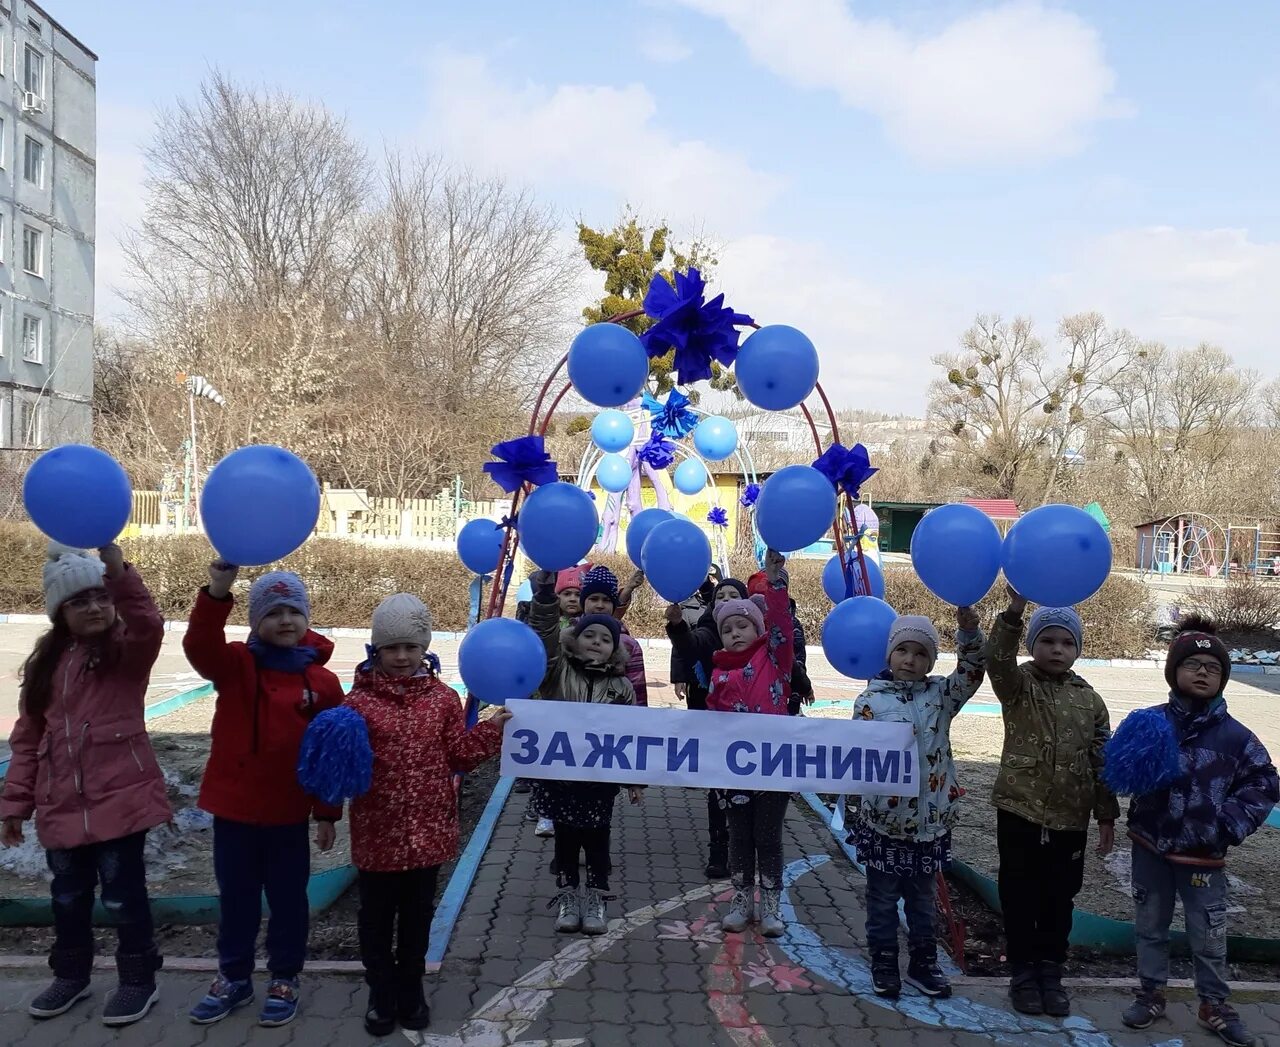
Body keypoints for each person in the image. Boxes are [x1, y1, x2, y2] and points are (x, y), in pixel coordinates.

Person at [0, 543, 169, 1027]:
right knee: (68, 900)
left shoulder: (125, 656)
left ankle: (139, 981)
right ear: (60, 612)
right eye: (80, 601)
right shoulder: (45, 667)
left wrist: (120, 573)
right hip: (61, 807)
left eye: (101, 597)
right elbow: (28, 739)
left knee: (122, 898)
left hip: (121, 804)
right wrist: (15, 804)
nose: (94, 607)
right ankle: (70, 976)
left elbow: (148, 624)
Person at [342, 594, 512, 1037]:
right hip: (376, 833)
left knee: (417, 918)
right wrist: (324, 814)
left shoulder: (442, 699)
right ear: (375, 650)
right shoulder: (355, 705)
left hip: (427, 832)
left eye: (410, 647)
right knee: (376, 920)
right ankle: (381, 992)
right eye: (391, 648)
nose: (401, 657)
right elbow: (338, 767)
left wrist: (491, 730)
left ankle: (411, 989)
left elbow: (459, 754)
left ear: (425, 649)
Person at [184, 564, 345, 1028]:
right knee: (236, 899)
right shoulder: (234, 665)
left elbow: (330, 757)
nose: (286, 620)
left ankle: (285, 977)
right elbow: (198, 644)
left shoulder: (323, 684)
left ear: (307, 617)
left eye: (294, 610)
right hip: (234, 812)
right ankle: (232, 977)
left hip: (288, 816)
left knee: (289, 900)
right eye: (273, 612)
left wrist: (327, 814)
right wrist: (218, 590)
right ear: (256, 621)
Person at [1119, 615, 1278, 1047]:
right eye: (1193, 664)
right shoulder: (1148, 723)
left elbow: (1265, 782)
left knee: (1207, 932)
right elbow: (1116, 772)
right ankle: (1150, 993)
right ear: (1174, 671)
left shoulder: (1237, 738)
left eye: (1213, 666)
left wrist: (1227, 824)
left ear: (1224, 678)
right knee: (1150, 925)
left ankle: (1214, 1004)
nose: (1203, 671)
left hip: (1203, 857)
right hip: (1150, 846)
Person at [985, 587, 1118, 1017]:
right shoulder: (1019, 686)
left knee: (1060, 899)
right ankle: (1022, 973)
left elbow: (1103, 761)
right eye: (1047, 640)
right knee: (1019, 895)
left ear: (1078, 649)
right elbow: (997, 660)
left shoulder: (1091, 700)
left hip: (1069, 819)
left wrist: (1106, 816)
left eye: (1066, 642)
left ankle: (1051, 971)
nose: (1057, 649)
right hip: (1019, 812)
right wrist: (1015, 610)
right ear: (1033, 644)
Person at [852, 610, 985, 1000]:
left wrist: (969, 631)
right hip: (884, 825)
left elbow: (974, 669)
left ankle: (923, 964)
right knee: (882, 900)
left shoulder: (941, 697)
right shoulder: (870, 701)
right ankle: (884, 962)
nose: (910, 660)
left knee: (923, 902)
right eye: (902, 651)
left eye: (921, 654)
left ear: (931, 661)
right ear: (889, 654)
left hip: (930, 825)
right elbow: (853, 757)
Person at [529, 571, 641, 935]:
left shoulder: (621, 686)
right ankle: (566, 895)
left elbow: (632, 735)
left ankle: (595, 897)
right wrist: (545, 598)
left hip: (599, 783)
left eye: (605, 638)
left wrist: (635, 780)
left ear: (615, 647)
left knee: (597, 840)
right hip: (561, 779)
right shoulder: (557, 670)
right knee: (565, 841)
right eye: (589, 635)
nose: (596, 642)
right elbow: (545, 640)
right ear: (575, 640)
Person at [705, 549, 794, 937]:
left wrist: (775, 584)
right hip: (733, 772)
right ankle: (741, 899)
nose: (736, 633)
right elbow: (709, 721)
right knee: (738, 836)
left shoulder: (774, 659)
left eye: (743, 625)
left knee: (768, 838)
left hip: (774, 769)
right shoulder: (718, 672)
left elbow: (781, 628)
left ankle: (772, 905)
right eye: (728, 629)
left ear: (758, 630)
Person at [665, 575, 751, 879]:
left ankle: (747, 849)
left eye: (733, 594)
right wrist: (677, 626)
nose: (726, 600)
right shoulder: (708, 631)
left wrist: (801, 684)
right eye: (720, 595)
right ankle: (719, 850)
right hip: (714, 719)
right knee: (720, 786)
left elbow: (785, 662)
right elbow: (689, 645)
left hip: (752, 728)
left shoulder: (759, 636)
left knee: (750, 793)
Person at [527, 565, 592, 836]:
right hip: (552, 701)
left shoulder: (590, 627)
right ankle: (545, 813)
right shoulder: (551, 624)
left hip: (580, 706)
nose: (572, 599)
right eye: (566, 593)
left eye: (578, 593)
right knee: (547, 763)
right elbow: (541, 636)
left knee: (574, 762)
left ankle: (573, 813)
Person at [580, 565, 648, 706]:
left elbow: (638, 696)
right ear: (583, 602)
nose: (600, 605)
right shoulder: (568, 638)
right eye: (593, 599)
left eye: (606, 600)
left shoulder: (629, 645)